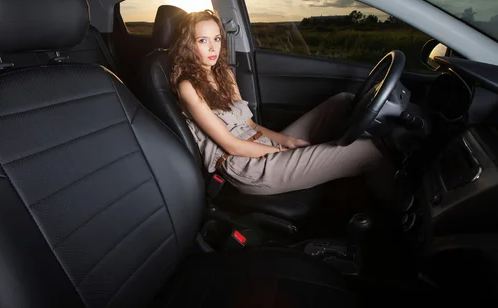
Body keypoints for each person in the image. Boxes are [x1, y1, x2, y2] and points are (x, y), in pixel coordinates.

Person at [169, 10, 394, 201]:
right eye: (202, 40)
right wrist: (278, 152)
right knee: (370, 151)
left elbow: (250, 125)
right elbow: (232, 146)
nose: (212, 48)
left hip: (259, 144)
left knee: (342, 101)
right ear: (189, 45)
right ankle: (401, 214)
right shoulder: (188, 87)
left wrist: (288, 140)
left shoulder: (225, 74)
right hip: (245, 166)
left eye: (217, 39)